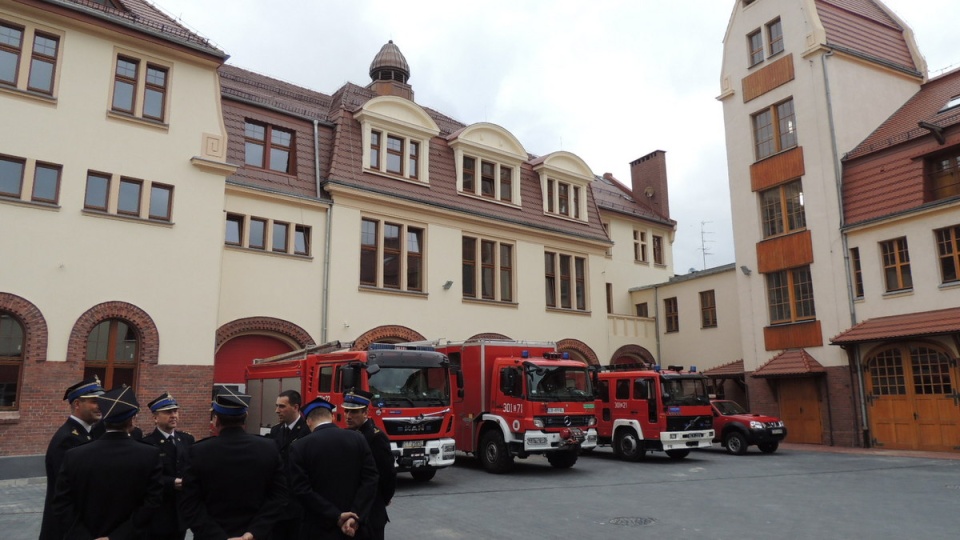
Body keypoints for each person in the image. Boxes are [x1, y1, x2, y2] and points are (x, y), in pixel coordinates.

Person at [51, 385, 163, 539]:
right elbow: (152, 503)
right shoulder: (150, 455)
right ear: (131, 420)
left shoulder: (74, 455)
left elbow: (62, 502)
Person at [180, 390, 287, 540]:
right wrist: (253, 532)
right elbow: (279, 497)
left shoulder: (198, 451)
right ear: (246, 417)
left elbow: (189, 503)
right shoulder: (268, 448)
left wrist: (218, 536)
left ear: (216, 419)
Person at [288, 396, 379, 539]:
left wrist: (336, 516)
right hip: (354, 528)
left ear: (308, 421)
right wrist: (355, 515)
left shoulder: (299, 446)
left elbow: (301, 490)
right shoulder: (358, 439)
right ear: (332, 417)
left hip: (319, 527)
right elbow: (371, 479)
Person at [39, 376, 105, 540]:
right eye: (94, 401)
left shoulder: (88, 434)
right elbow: (67, 495)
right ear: (77, 404)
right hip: (67, 530)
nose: (100, 406)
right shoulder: (68, 439)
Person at [141, 392, 195, 540]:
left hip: (181, 512)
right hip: (158, 513)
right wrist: (171, 483)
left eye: (175, 411)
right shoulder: (147, 443)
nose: (173, 415)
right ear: (155, 417)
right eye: (167, 412)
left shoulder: (186, 440)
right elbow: (145, 477)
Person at [343, 391, 396, 540]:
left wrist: (383, 499)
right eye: (346, 410)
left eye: (354, 412)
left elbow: (388, 474)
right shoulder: (348, 434)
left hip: (372, 509)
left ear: (366, 412)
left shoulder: (376, 437)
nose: (348, 416)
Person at [268, 389, 310, 540]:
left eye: (281, 406)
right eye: (276, 406)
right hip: (278, 504)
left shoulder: (307, 431)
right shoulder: (275, 431)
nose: (276, 410)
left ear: (296, 407)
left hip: (299, 505)